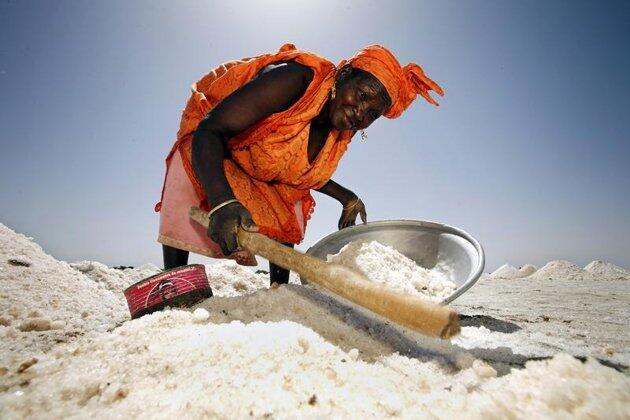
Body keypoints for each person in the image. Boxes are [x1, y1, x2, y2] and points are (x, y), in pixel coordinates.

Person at [155, 43, 443, 283]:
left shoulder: (340, 129)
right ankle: (174, 280)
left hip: (262, 162)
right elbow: (212, 130)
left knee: (288, 200)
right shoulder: (294, 81)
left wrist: (347, 197)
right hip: (216, 138)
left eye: (372, 113)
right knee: (191, 159)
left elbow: (302, 174)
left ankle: (279, 290)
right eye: (363, 95)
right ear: (343, 74)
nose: (360, 112)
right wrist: (221, 201)